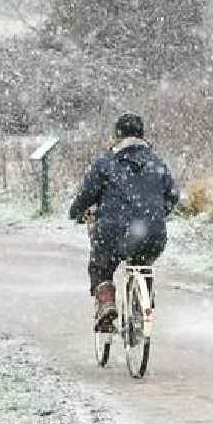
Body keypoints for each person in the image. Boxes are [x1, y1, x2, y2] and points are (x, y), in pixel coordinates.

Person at [69, 114, 178, 331]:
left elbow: (88, 194)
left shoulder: (105, 163)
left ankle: (107, 303)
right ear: (142, 135)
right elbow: (172, 196)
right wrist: (156, 214)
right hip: (152, 233)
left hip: (113, 232)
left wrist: (76, 212)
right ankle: (142, 305)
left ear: (117, 135)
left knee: (101, 265)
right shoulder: (157, 163)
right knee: (142, 263)